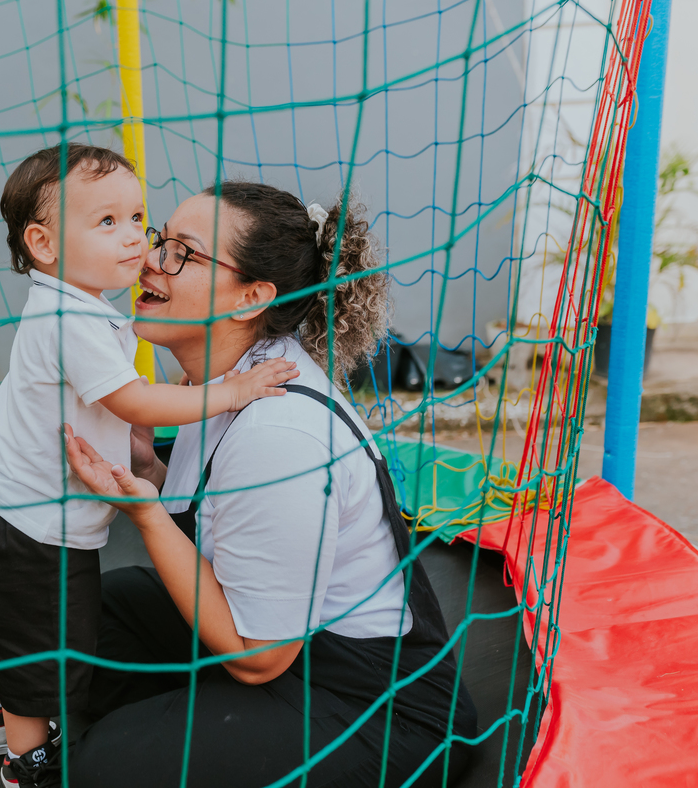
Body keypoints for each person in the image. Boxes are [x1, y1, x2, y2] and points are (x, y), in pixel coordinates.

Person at [62, 181, 478, 788]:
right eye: (161, 240)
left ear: (250, 297)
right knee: (88, 612)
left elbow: (259, 658)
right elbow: (213, 512)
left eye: (183, 252)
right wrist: (148, 472)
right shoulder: (221, 381)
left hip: (376, 702)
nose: (150, 259)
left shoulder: (279, 433)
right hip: (294, 645)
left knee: (109, 767)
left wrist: (147, 515)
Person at [0, 145, 298, 788]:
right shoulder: (71, 318)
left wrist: (133, 443)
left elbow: (114, 412)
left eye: (139, 218)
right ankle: (26, 764)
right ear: (44, 244)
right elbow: (135, 399)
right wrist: (232, 392)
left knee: (1, 623)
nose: (136, 238)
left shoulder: (75, 307)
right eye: (107, 223)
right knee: (41, 653)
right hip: (32, 532)